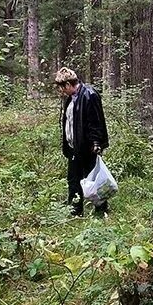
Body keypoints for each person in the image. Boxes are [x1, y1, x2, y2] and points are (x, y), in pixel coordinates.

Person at [56, 67, 110, 217]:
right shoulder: (70, 99)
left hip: (88, 148)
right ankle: (75, 211)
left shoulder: (89, 95)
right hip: (75, 148)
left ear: (67, 84)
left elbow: (96, 121)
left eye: (62, 88)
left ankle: (101, 210)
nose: (61, 91)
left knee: (93, 181)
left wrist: (96, 143)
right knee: (74, 180)